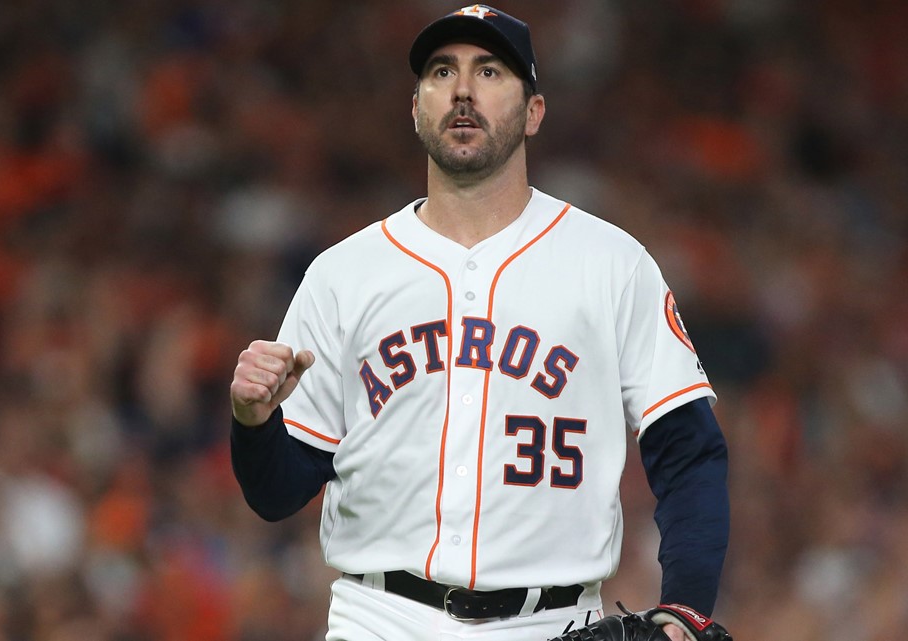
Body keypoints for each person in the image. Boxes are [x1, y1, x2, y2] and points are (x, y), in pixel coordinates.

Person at [228, 5, 730, 640]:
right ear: (416, 108)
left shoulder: (612, 265)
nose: (462, 90)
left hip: (553, 623)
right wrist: (253, 423)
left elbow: (689, 450)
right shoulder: (343, 273)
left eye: (489, 71)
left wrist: (686, 605)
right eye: (442, 72)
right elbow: (275, 494)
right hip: (382, 619)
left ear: (534, 111)